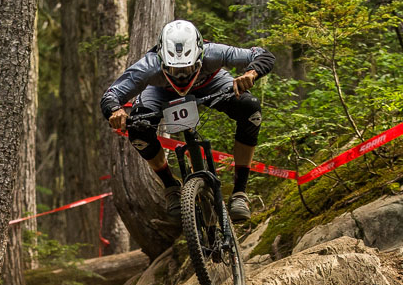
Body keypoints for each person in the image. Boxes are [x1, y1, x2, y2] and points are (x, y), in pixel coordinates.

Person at [102, 19, 275, 223]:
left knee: (250, 109)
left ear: (200, 56)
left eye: (189, 68)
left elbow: (263, 54)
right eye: (175, 71)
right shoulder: (148, 66)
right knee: (139, 130)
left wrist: (251, 72)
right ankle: (170, 187)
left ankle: (239, 193)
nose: (182, 77)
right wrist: (116, 110)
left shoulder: (213, 52)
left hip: (211, 83)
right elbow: (111, 94)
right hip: (159, 91)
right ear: (161, 61)